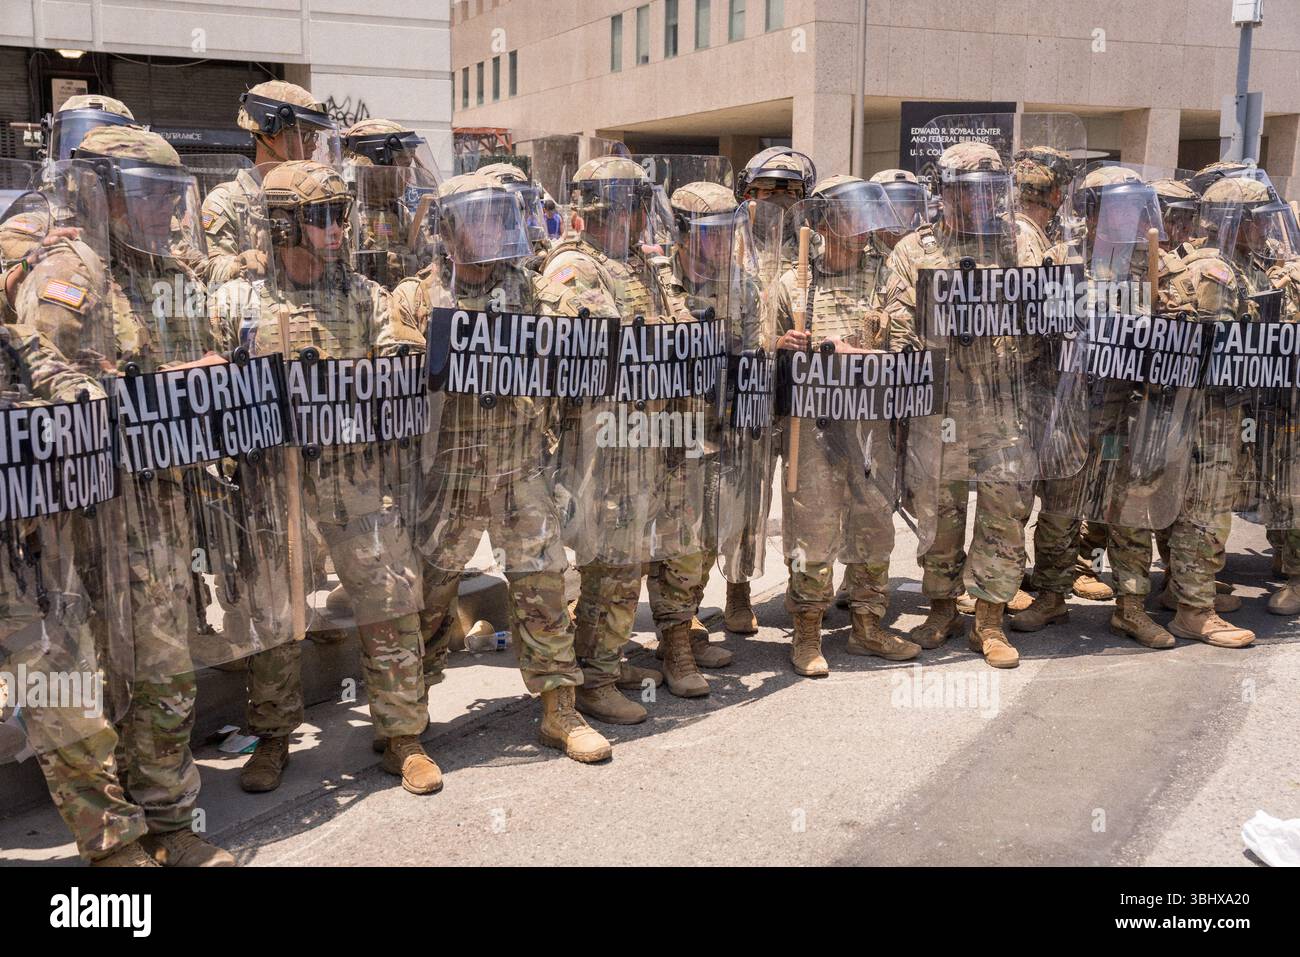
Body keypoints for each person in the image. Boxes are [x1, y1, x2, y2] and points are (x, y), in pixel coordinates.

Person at [230, 160, 442, 793]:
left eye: (339, 216)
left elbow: (401, 365)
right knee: (273, 613)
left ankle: (401, 734)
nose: (337, 229)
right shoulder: (238, 300)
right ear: (284, 225)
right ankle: (271, 737)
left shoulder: (365, 296)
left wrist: (408, 358)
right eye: (322, 218)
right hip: (273, 485)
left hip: (355, 478)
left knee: (391, 601)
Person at [400, 172, 612, 762]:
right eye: (475, 219)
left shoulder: (531, 290)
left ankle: (559, 712)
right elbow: (391, 380)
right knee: (428, 602)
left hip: (521, 467)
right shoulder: (419, 298)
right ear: (447, 229)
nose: (487, 230)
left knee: (543, 588)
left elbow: (583, 349)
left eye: (497, 218)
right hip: (451, 476)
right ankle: (405, 726)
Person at [882, 139, 1044, 669]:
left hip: (1005, 403)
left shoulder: (1021, 240)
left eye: (986, 191)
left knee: (1003, 515)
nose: (975, 202)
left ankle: (990, 622)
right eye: (963, 191)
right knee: (940, 513)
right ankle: (941, 608)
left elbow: (1053, 311)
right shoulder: (914, 249)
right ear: (944, 192)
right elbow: (899, 332)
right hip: (942, 407)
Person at [542, 154, 691, 725]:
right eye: (628, 210)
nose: (636, 221)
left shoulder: (641, 266)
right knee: (613, 559)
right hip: (602, 441)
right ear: (603, 212)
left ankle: (603, 656)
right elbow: (608, 346)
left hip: (647, 433)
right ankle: (596, 678)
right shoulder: (576, 267)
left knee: (629, 556)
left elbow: (678, 328)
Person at [775, 175, 922, 676]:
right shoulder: (791, 284)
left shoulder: (888, 277)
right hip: (812, 429)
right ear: (820, 223)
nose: (860, 228)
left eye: (864, 216)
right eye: (847, 216)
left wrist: (851, 353)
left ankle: (866, 625)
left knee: (874, 524)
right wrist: (782, 347)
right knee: (810, 528)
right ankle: (808, 632)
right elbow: (758, 356)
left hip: (870, 426)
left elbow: (907, 348)